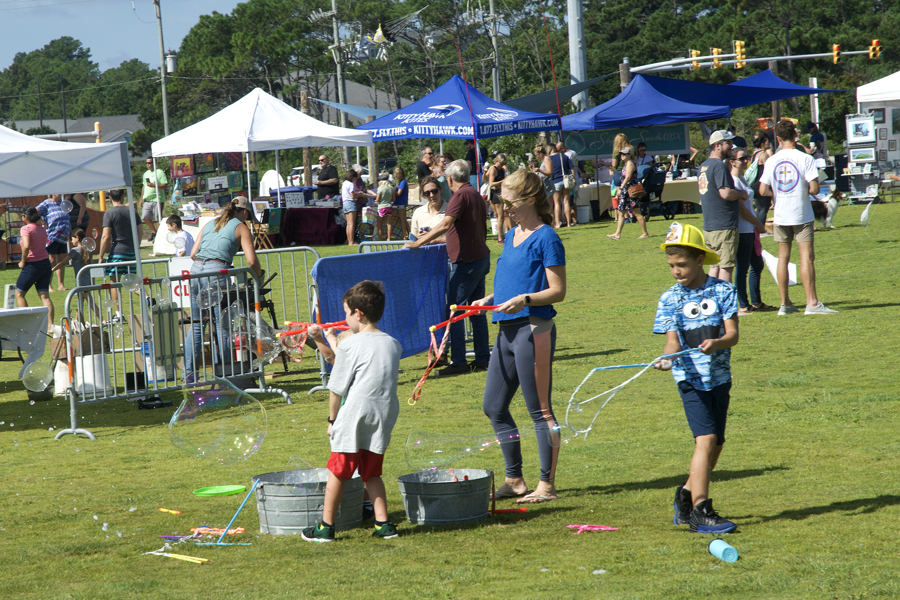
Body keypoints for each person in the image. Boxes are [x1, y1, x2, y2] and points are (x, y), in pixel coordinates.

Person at [473, 168, 566, 505]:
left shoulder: (546, 237)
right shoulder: (511, 234)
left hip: (533, 331)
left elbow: (557, 291)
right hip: (506, 331)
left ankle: (547, 485)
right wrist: (491, 300)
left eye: (508, 201)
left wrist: (525, 300)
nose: (503, 207)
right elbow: (512, 279)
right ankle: (514, 480)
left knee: (540, 411)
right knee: (494, 406)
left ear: (528, 200)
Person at [653, 221, 739, 534]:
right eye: (671, 265)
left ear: (700, 259)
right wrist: (667, 357)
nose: (676, 271)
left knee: (716, 442)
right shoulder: (669, 299)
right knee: (705, 440)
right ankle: (701, 511)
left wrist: (716, 343)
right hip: (690, 380)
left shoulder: (724, 291)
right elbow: (673, 342)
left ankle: (685, 494)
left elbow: (733, 336)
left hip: (719, 378)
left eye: (682, 264)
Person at [302, 280, 402, 542]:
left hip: (354, 416)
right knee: (372, 472)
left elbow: (336, 389)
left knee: (338, 471)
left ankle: (326, 527)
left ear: (358, 313)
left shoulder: (350, 345)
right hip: (383, 416)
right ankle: (383, 525)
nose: (345, 319)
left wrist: (332, 420)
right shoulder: (393, 344)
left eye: (346, 313)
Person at [404, 160, 490, 375]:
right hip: (478, 259)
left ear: (450, 179)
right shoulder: (475, 194)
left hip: (467, 262)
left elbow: (445, 224)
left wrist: (416, 243)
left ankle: (459, 361)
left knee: (455, 311)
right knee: (475, 310)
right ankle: (482, 359)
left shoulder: (460, 196)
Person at [758, 120, 837, 315]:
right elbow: (815, 188)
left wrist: (778, 193)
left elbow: (762, 190)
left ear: (777, 138)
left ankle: (785, 304)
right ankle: (811, 303)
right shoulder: (805, 159)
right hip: (801, 213)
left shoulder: (771, 160)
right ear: (795, 136)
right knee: (806, 258)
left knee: (783, 258)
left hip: (781, 214)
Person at [185, 197, 263, 381]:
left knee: (196, 326)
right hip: (217, 273)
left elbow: (193, 254)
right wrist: (258, 278)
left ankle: (188, 375)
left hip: (195, 272)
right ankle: (228, 375)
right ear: (244, 212)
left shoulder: (210, 223)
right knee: (223, 326)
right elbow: (252, 261)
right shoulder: (241, 227)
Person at [698, 130, 747, 284]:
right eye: (728, 143)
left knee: (714, 266)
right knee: (726, 267)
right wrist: (741, 193)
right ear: (717, 145)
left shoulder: (703, 166)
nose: (731, 146)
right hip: (724, 226)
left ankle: (714, 304)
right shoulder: (719, 166)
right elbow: (725, 193)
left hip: (710, 226)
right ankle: (726, 306)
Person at [728, 148, 769, 315]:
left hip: (750, 228)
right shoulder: (733, 181)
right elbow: (741, 210)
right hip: (743, 229)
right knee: (742, 267)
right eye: (741, 158)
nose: (745, 161)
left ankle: (756, 301)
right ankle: (743, 305)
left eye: (747, 158)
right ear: (732, 162)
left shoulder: (742, 179)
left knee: (757, 265)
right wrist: (758, 224)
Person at [98, 189, 142, 323]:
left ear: (109, 197)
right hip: (132, 252)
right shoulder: (132, 211)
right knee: (132, 281)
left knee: (114, 283)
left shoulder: (109, 213)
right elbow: (140, 231)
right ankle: (147, 299)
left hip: (117, 252)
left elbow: (105, 237)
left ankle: (118, 314)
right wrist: (136, 248)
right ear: (123, 196)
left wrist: (100, 256)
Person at [16, 207, 54, 325]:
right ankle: (50, 326)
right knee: (45, 297)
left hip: (32, 265)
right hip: (45, 264)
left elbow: (26, 246)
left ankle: (27, 325)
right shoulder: (42, 229)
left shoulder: (25, 228)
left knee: (19, 294)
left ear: (25, 217)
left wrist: (22, 261)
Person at [52, 228, 97, 320]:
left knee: (91, 303)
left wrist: (52, 269)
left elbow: (63, 263)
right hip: (88, 280)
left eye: (71, 239)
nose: (71, 241)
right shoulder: (88, 250)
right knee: (80, 302)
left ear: (77, 238)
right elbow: (91, 266)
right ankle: (78, 321)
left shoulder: (75, 250)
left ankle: (103, 320)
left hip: (81, 282)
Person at [607, 146, 650, 240]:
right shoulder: (626, 164)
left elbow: (628, 177)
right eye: (621, 154)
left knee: (637, 212)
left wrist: (621, 188)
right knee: (621, 212)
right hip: (625, 191)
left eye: (624, 154)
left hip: (630, 190)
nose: (622, 156)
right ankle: (617, 234)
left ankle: (645, 233)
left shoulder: (630, 163)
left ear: (629, 155)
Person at [36, 194, 71, 292]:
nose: (59, 194)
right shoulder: (46, 203)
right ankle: (49, 285)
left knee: (61, 260)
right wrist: (42, 222)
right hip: (52, 236)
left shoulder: (62, 203)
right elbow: (34, 213)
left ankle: (61, 285)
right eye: (57, 192)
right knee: (51, 260)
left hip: (63, 236)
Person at [539, 144, 573, 228]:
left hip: (556, 181)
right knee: (566, 202)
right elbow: (571, 168)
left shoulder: (548, 159)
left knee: (557, 203)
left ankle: (557, 223)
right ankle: (569, 223)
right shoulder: (564, 156)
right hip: (566, 181)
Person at [409, 176, 447, 241]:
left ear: (440, 190)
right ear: (424, 195)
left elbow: (458, 239)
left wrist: (435, 239)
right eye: (427, 193)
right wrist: (418, 238)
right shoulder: (418, 212)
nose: (431, 195)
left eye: (434, 191)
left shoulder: (451, 210)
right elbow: (413, 240)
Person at [748, 132, 774, 226]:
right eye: (768, 142)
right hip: (761, 185)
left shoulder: (754, 155)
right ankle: (760, 228)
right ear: (763, 143)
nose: (769, 144)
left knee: (759, 208)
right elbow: (768, 171)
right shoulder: (764, 155)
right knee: (764, 208)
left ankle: (757, 228)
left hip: (754, 185)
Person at [141, 157, 167, 241]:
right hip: (147, 199)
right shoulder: (146, 173)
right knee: (145, 216)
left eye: (149, 163)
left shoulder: (160, 172)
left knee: (158, 218)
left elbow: (165, 186)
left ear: (154, 163)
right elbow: (144, 186)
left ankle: (159, 236)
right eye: (146, 163)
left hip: (157, 199)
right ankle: (154, 231)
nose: (148, 164)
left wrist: (154, 186)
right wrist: (141, 198)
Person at [486, 152, 508, 244]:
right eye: (501, 163)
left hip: (502, 193)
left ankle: (503, 235)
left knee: (503, 216)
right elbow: (491, 183)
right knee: (500, 217)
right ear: (497, 161)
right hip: (496, 194)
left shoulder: (502, 170)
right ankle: (500, 238)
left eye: (504, 164)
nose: (502, 165)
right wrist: (503, 181)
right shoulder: (493, 169)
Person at [341, 169, 360, 246]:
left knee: (348, 224)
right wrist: (360, 194)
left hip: (345, 204)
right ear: (352, 177)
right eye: (355, 178)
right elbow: (352, 196)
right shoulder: (350, 184)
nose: (355, 180)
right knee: (352, 224)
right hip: (351, 204)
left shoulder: (344, 183)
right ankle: (351, 242)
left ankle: (349, 241)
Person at [374, 173, 394, 241]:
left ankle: (379, 239)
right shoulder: (391, 188)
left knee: (379, 224)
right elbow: (394, 199)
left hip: (381, 207)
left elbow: (377, 199)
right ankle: (388, 238)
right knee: (389, 223)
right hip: (389, 207)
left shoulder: (380, 189)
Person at [392, 166, 410, 239]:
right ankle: (409, 234)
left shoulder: (403, 182)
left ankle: (404, 236)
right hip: (401, 203)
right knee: (404, 220)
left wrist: (393, 191)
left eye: (395, 175)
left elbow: (399, 193)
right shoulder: (401, 182)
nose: (394, 176)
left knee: (402, 220)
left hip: (401, 203)